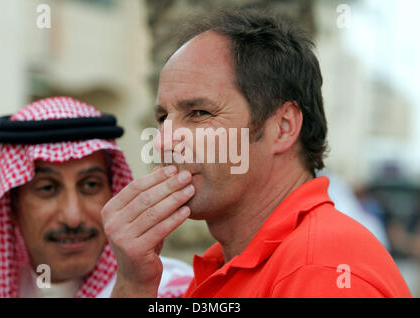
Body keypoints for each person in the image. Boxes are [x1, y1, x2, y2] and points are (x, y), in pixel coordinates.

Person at [103, 9, 412, 297]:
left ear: (283, 127)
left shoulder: (320, 272)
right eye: (162, 118)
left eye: (198, 113)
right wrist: (134, 285)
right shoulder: (231, 260)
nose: (162, 143)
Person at [0, 96, 192, 298]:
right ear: (13, 206)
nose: (73, 217)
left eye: (90, 185)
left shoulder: (176, 290)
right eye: (47, 188)